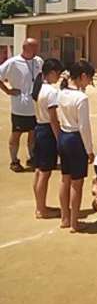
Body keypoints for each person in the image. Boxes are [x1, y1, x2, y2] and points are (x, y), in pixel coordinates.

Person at [57, 60, 95, 233]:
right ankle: (74, 222)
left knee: (65, 178)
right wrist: (89, 150)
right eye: (89, 79)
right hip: (75, 139)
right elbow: (84, 127)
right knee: (76, 183)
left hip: (63, 136)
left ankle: (65, 217)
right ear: (83, 76)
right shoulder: (81, 98)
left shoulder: (62, 92)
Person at [0, 38, 43, 172]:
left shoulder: (38, 61)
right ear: (26, 48)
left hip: (35, 107)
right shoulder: (13, 62)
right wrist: (7, 91)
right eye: (34, 47)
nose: (37, 50)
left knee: (33, 134)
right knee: (16, 134)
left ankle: (32, 157)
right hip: (20, 107)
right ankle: (14, 160)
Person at [31, 58, 64, 218]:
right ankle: (41, 209)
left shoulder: (38, 88)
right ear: (51, 73)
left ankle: (40, 205)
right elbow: (53, 119)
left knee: (39, 171)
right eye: (57, 74)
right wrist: (59, 139)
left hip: (39, 128)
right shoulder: (51, 92)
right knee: (45, 172)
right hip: (47, 132)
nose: (58, 77)